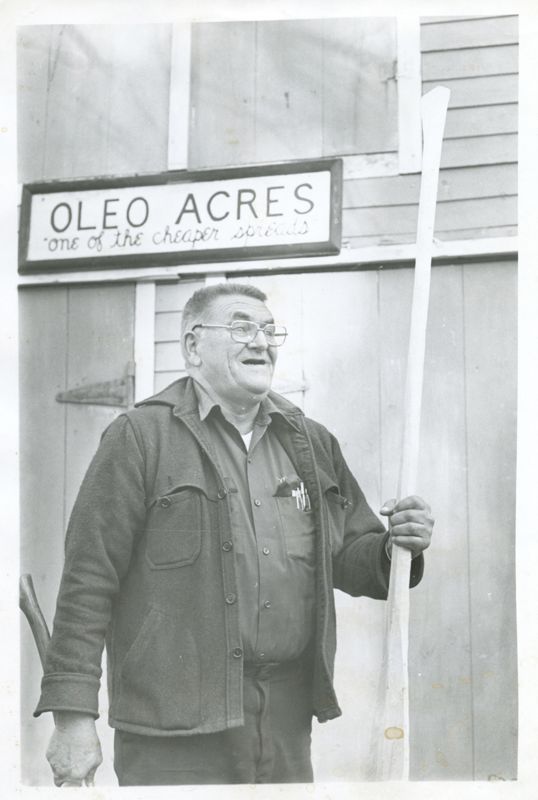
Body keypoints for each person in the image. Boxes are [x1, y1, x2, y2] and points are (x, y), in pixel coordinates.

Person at [36, 282, 434, 786]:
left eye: (269, 331)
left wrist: (397, 544)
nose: (261, 342)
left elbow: (352, 556)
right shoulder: (139, 437)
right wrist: (73, 718)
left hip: (284, 721)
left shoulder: (310, 441)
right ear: (193, 347)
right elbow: (88, 581)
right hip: (174, 726)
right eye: (242, 327)